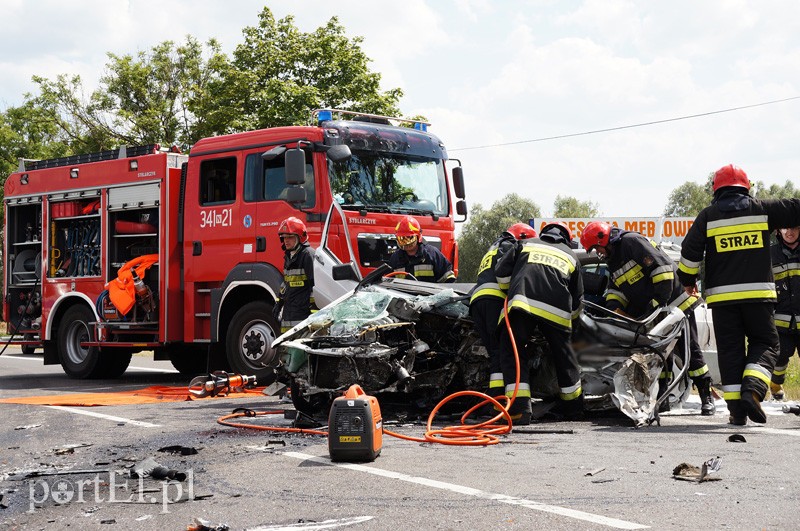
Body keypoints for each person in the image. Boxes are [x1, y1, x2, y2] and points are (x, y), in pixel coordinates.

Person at [678, 164, 800, 426]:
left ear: (716, 190)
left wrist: (688, 281)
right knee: (767, 343)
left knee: (730, 352)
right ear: (747, 187)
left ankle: (737, 412)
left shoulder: (708, 216)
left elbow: (689, 254)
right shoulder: (762, 209)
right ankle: (753, 390)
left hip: (723, 301)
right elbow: (796, 207)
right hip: (758, 296)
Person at [580, 221, 716, 415]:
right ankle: (664, 398)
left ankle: (706, 397)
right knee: (659, 356)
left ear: (604, 239)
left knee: (689, 351)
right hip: (655, 311)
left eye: (596, 248)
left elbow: (662, 271)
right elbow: (617, 288)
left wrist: (657, 303)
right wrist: (613, 308)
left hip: (675, 305)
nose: (597, 253)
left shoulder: (631, 242)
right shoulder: (613, 258)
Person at [495, 222, 584, 424]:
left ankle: (520, 410)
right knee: (565, 357)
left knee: (514, 352)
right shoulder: (571, 255)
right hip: (557, 312)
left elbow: (501, 276)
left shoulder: (524, 244)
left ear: (543, 233)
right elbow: (577, 301)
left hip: (522, 305)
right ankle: (574, 408)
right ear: (566, 239)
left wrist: (515, 286)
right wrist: (573, 330)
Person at [469, 223, 536, 407]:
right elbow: (505, 274)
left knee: (495, 353)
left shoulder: (492, 248)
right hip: (494, 300)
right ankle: (499, 402)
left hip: (477, 303)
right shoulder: (508, 245)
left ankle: (495, 401)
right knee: (501, 351)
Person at [769, 226, 800, 401]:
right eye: (786, 228)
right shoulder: (770, 254)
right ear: (778, 231)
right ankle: (775, 386)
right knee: (780, 358)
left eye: (795, 228)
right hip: (780, 321)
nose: (790, 232)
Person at [273, 217, 315, 334]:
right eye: (284, 237)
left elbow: (315, 286)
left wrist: (314, 313)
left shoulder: (307, 255)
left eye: (290, 237)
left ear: (300, 237)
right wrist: (279, 303)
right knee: (288, 349)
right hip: (289, 313)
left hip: (303, 315)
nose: (286, 241)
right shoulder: (288, 257)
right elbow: (285, 284)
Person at [387, 215, 456, 282]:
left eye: (409, 238)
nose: (406, 243)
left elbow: (448, 278)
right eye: (402, 239)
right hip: (403, 293)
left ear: (418, 236)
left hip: (429, 293)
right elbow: (387, 282)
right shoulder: (395, 258)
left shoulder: (432, 254)